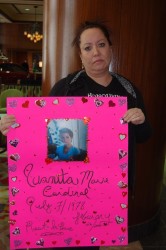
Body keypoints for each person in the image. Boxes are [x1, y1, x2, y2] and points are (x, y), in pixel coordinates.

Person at [0, 20, 152, 249]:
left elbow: (144, 136)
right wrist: (13, 129)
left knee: (97, 236)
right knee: (72, 239)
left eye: (101, 44)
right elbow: (41, 134)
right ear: (80, 55)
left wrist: (140, 121)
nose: (96, 52)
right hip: (69, 186)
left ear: (110, 48)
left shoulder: (128, 90)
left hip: (110, 184)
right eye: (88, 47)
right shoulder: (66, 88)